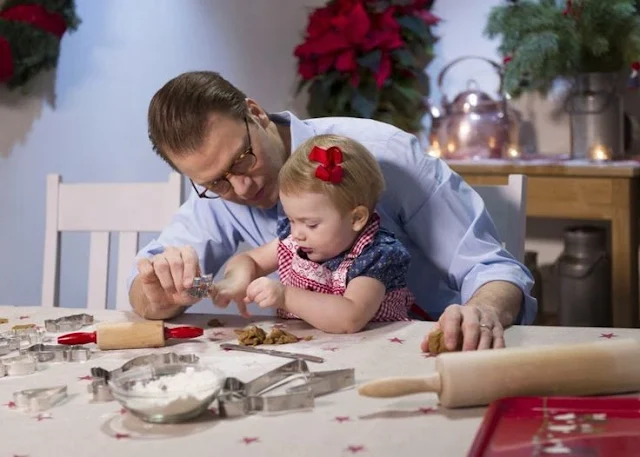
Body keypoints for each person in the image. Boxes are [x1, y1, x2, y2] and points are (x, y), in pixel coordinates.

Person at [129, 71, 537, 352]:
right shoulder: (218, 195)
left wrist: (482, 311)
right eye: (215, 181)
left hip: (430, 348)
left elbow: (492, 270)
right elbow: (143, 291)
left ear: (255, 113)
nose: (241, 187)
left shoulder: (384, 156)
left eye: (241, 160)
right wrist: (158, 291)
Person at [209, 134, 414, 334]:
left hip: (374, 354)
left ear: (356, 218)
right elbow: (249, 260)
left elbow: (350, 317)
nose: (297, 233)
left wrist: (285, 296)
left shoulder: (376, 255)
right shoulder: (296, 240)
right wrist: (236, 280)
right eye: (291, 220)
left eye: (311, 224)